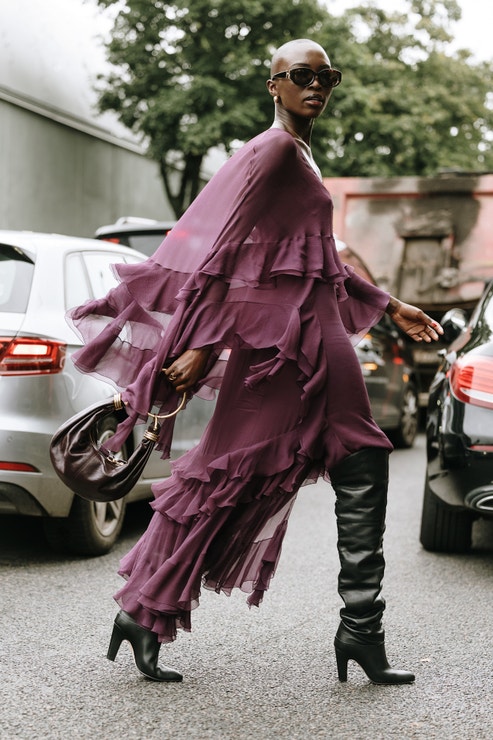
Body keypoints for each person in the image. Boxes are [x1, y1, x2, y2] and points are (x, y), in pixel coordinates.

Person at [69, 39, 443, 685]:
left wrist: (392, 306)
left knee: (310, 464)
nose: (317, 85)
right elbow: (219, 253)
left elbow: (320, 260)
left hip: (310, 333)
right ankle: (150, 609)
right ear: (273, 84)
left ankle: (357, 630)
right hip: (282, 344)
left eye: (328, 76)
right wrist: (200, 344)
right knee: (228, 475)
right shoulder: (271, 151)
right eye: (302, 75)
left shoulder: (298, 153)